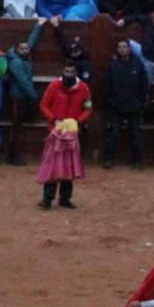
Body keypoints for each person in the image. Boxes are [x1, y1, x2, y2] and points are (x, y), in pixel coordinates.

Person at [37, 59, 91, 209]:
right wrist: (53, 119)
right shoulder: (54, 86)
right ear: (63, 71)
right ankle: (47, 199)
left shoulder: (84, 88)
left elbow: (88, 108)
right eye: (67, 71)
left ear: (76, 72)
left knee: (69, 166)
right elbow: (44, 105)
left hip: (72, 134)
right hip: (55, 133)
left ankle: (65, 198)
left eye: (72, 72)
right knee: (53, 166)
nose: (69, 74)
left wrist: (78, 121)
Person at [104, 39, 148, 169]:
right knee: (114, 134)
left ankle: (137, 161)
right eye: (120, 47)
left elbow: (144, 85)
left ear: (129, 49)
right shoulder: (113, 66)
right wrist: (111, 102)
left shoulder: (138, 65)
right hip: (117, 107)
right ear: (117, 49)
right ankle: (108, 159)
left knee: (135, 135)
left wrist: (141, 102)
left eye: (124, 47)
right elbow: (107, 86)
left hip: (134, 107)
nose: (122, 49)